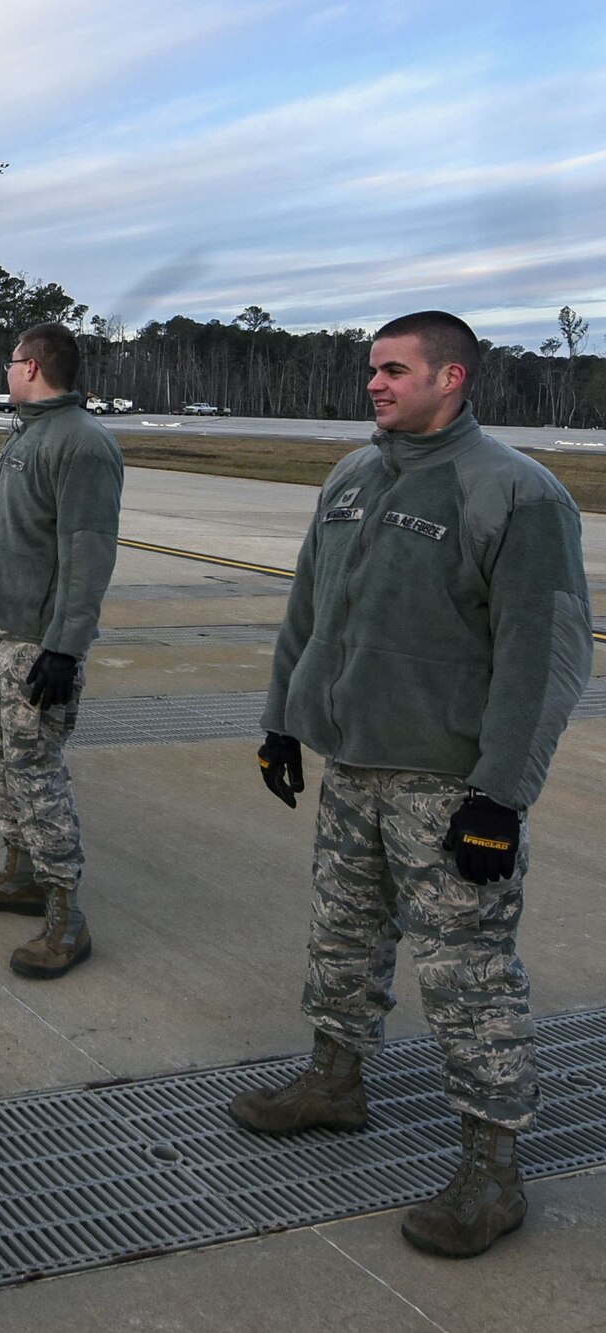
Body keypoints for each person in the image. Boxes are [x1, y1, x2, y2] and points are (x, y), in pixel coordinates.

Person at [229, 311, 592, 1259]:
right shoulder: (352, 476)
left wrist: (500, 796)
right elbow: (307, 605)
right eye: (371, 372)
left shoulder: (516, 493)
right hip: (354, 765)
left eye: (395, 370)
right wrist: (283, 719)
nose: (375, 386)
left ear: (452, 378)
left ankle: (492, 1168)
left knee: (468, 976)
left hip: (449, 783)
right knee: (343, 934)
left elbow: (544, 656)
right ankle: (334, 1079)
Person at [0, 322, 123, 981]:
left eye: (12, 360)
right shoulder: (30, 430)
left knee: (35, 766)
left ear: (35, 367)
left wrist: (65, 647)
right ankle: (19, 872)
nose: (6, 370)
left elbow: (87, 554)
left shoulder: (81, 444)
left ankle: (64, 913)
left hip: (34, 643)